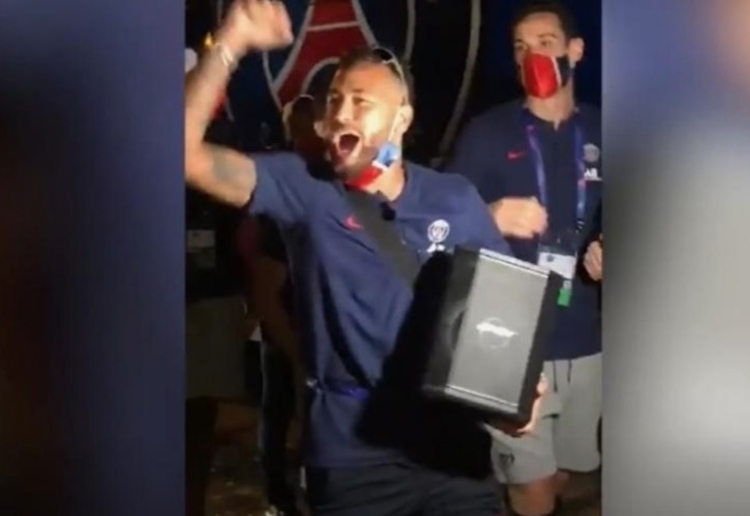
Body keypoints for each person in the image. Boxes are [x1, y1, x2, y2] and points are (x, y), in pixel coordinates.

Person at [185, 2, 546, 515]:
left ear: (402, 119)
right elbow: (184, 155)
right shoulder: (305, 190)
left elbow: (503, 310)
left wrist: (521, 390)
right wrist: (230, 41)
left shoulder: (455, 199)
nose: (341, 114)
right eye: (334, 100)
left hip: (453, 454)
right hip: (355, 462)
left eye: (360, 101)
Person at [444, 2, 602, 515]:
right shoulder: (486, 134)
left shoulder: (604, 129)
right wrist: (489, 215)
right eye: (520, 47)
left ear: (575, 51)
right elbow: (436, 228)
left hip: (587, 338)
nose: (531, 56)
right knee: (530, 489)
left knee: (567, 475)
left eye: (545, 43)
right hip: (508, 341)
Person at [239, 93, 326, 516]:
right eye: (303, 127)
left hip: (315, 338)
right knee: (278, 410)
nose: (312, 135)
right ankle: (279, 493)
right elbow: (265, 280)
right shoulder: (281, 190)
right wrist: (293, 348)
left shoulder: (331, 185)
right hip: (290, 332)